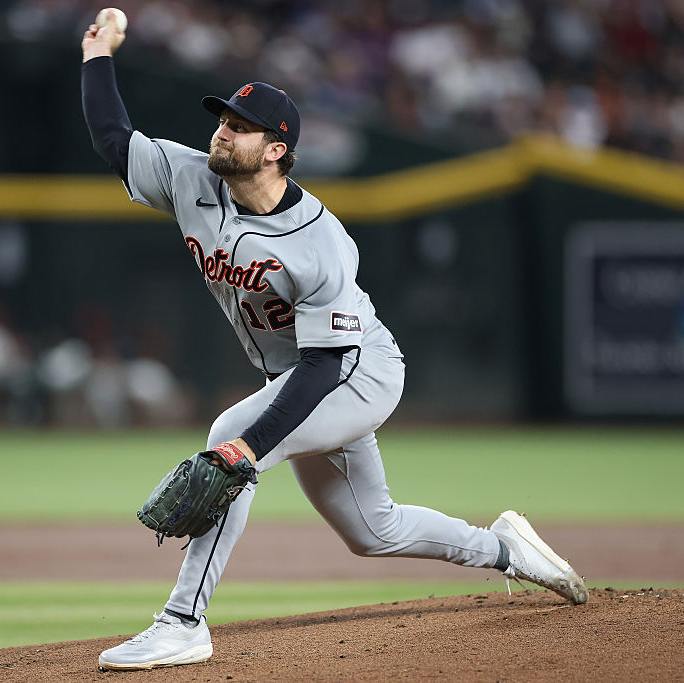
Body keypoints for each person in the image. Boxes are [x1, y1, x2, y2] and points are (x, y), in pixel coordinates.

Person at [81, 10, 588, 671]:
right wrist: (97, 53)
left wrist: (248, 448)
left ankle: (183, 621)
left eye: (239, 126)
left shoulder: (321, 241)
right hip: (299, 381)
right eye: (222, 119)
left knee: (231, 437)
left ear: (274, 151)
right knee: (372, 530)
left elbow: (324, 366)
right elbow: (114, 140)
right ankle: (504, 548)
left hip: (357, 372)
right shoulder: (190, 179)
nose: (221, 131)